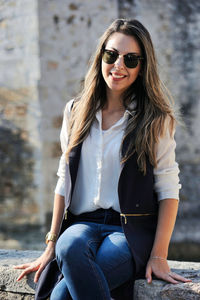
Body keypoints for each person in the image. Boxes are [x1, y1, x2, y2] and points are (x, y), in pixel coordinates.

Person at [14, 19, 192, 300]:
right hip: (81, 225)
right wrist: (51, 243)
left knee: (61, 295)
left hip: (128, 231)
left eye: (130, 59)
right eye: (112, 55)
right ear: (101, 58)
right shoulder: (75, 112)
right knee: (67, 247)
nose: (118, 65)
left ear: (142, 67)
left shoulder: (156, 119)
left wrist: (159, 255)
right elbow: (64, 178)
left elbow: (169, 190)